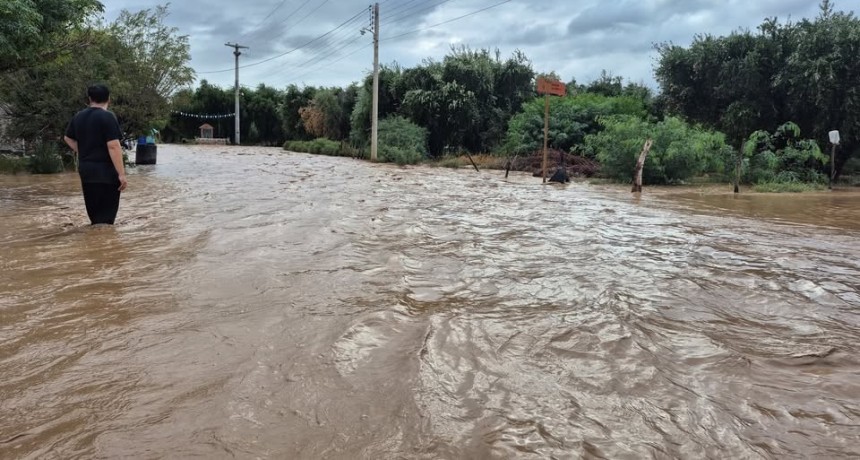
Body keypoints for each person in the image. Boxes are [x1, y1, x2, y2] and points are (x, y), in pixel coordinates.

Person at [63, 84, 128, 225]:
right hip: (106, 173)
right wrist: (121, 174)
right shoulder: (108, 117)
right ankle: (104, 244)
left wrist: (83, 150)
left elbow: (67, 138)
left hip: (86, 171)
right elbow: (113, 146)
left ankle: (95, 242)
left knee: (95, 217)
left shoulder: (78, 116)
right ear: (108, 99)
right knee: (107, 219)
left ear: (89, 98)